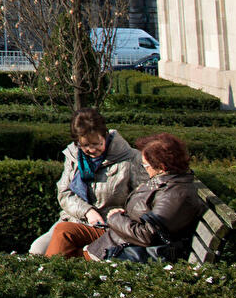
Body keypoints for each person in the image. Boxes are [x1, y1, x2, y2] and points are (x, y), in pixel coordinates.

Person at [45, 133, 202, 261]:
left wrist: (117, 218)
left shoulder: (175, 195)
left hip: (125, 246)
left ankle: (48, 281)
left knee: (68, 254)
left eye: (146, 166)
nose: (145, 169)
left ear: (162, 167)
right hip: (119, 235)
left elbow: (147, 235)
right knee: (64, 230)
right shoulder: (166, 182)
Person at [31, 108, 147, 255]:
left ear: (105, 136)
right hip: (75, 219)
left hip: (109, 226)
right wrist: (87, 211)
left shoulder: (130, 159)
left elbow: (141, 197)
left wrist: (123, 215)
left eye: (97, 143)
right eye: (85, 145)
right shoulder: (73, 156)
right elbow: (64, 192)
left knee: (73, 251)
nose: (92, 150)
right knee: (37, 250)